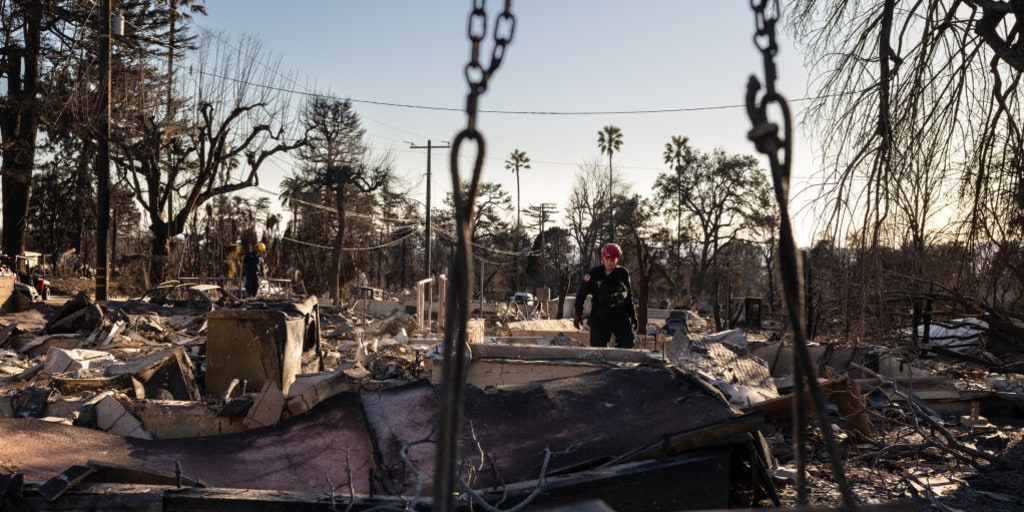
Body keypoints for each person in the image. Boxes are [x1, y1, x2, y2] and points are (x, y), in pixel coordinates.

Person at [573, 243, 638, 348]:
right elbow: (581, 294)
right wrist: (577, 314)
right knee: (597, 346)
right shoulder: (593, 274)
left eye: (612, 260)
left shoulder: (622, 273)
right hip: (600, 313)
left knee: (628, 342)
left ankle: (618, 359)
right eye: (607, 259)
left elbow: (628, 296)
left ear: (617, 259)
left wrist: (632, 315)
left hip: (619, 312)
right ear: (603, 258)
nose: (609, 262)